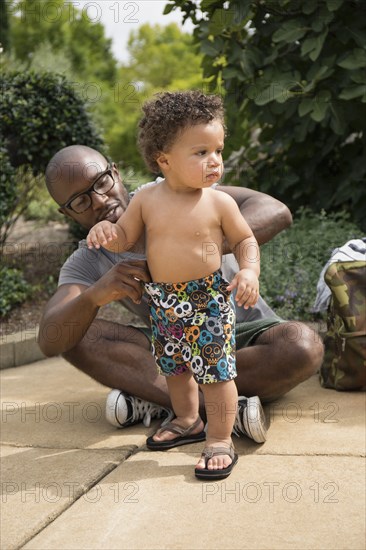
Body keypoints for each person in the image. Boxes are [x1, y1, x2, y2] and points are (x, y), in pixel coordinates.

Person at [39, 114, 323, 463]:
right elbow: (50, 336)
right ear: (67, 214)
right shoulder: (91, 256)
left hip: (241, 334)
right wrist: (97, 293)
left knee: (302, 346)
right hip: (172, 337)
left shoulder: (182, 191)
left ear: (114, 172)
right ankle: (211, 412)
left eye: (100, 183)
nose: (98, 201)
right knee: (74, 331)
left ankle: (162, 403)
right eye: (80, 201)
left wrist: (188, 250)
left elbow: (276, 212)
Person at [86, 91, 261, 479]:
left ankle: (218, 439)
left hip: (208, 300)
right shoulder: (147, 199)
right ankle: (187, 420)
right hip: (164, 302)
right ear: (164, 159)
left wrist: (248, 271)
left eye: (218, 150)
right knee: (176, 370)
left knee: (216, 374)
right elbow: (125, 237)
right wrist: (105, 231)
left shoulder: (218, 203)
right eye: (200, 152)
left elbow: (246, 241)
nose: (214, 160)